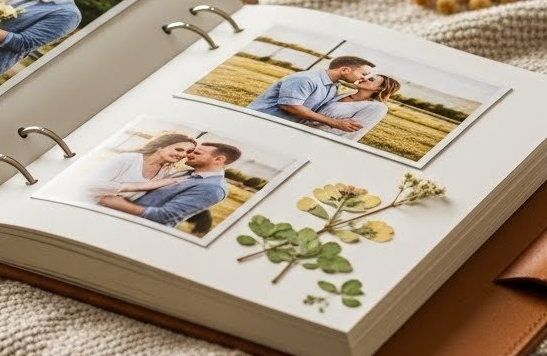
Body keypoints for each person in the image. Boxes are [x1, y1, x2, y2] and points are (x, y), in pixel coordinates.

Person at [97, 140, 241, 230]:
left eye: (197, 153)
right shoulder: (187, 173)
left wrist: (115, 202)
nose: (188, 155)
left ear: (219, 159)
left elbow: (165, 215)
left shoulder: (212, 188)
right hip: (115, 221)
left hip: (136, 230)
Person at [247, 54, 375, 130]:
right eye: (363, 74)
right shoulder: (306, 79)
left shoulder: (333, 86)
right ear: (345, 70)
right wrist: (335, 123)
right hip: (256, 123)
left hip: (276, 127)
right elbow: (289, 106)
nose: (364, 78)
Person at [85, 132, 196, 201]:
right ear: (160, 147)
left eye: (188, 152)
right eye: (179, 149)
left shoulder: (167, 171)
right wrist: (144, 185)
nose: (183, 155)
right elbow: (90, 184)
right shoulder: (128, 158)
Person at [308, 71, 401, 140]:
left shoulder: (376, 107)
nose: (364, 78)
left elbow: (352, 131)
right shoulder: (342, 93)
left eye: (370, 80)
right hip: (302, 128)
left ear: (380, 88)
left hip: (322, 140)